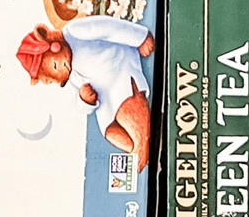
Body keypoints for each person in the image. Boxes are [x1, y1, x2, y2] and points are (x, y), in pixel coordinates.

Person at [16, 15, 154, 160]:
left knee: (131, 116)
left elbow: (109, 28)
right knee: (110, 131)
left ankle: (143, 150)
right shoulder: (69, 74)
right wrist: (84, 100)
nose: (59, 80)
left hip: (120, 71)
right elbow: (79, 104)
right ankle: (137, 153)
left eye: (55, 66)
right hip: (106, 98)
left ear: (55, 45)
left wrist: (140, 37)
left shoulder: (74, 31)